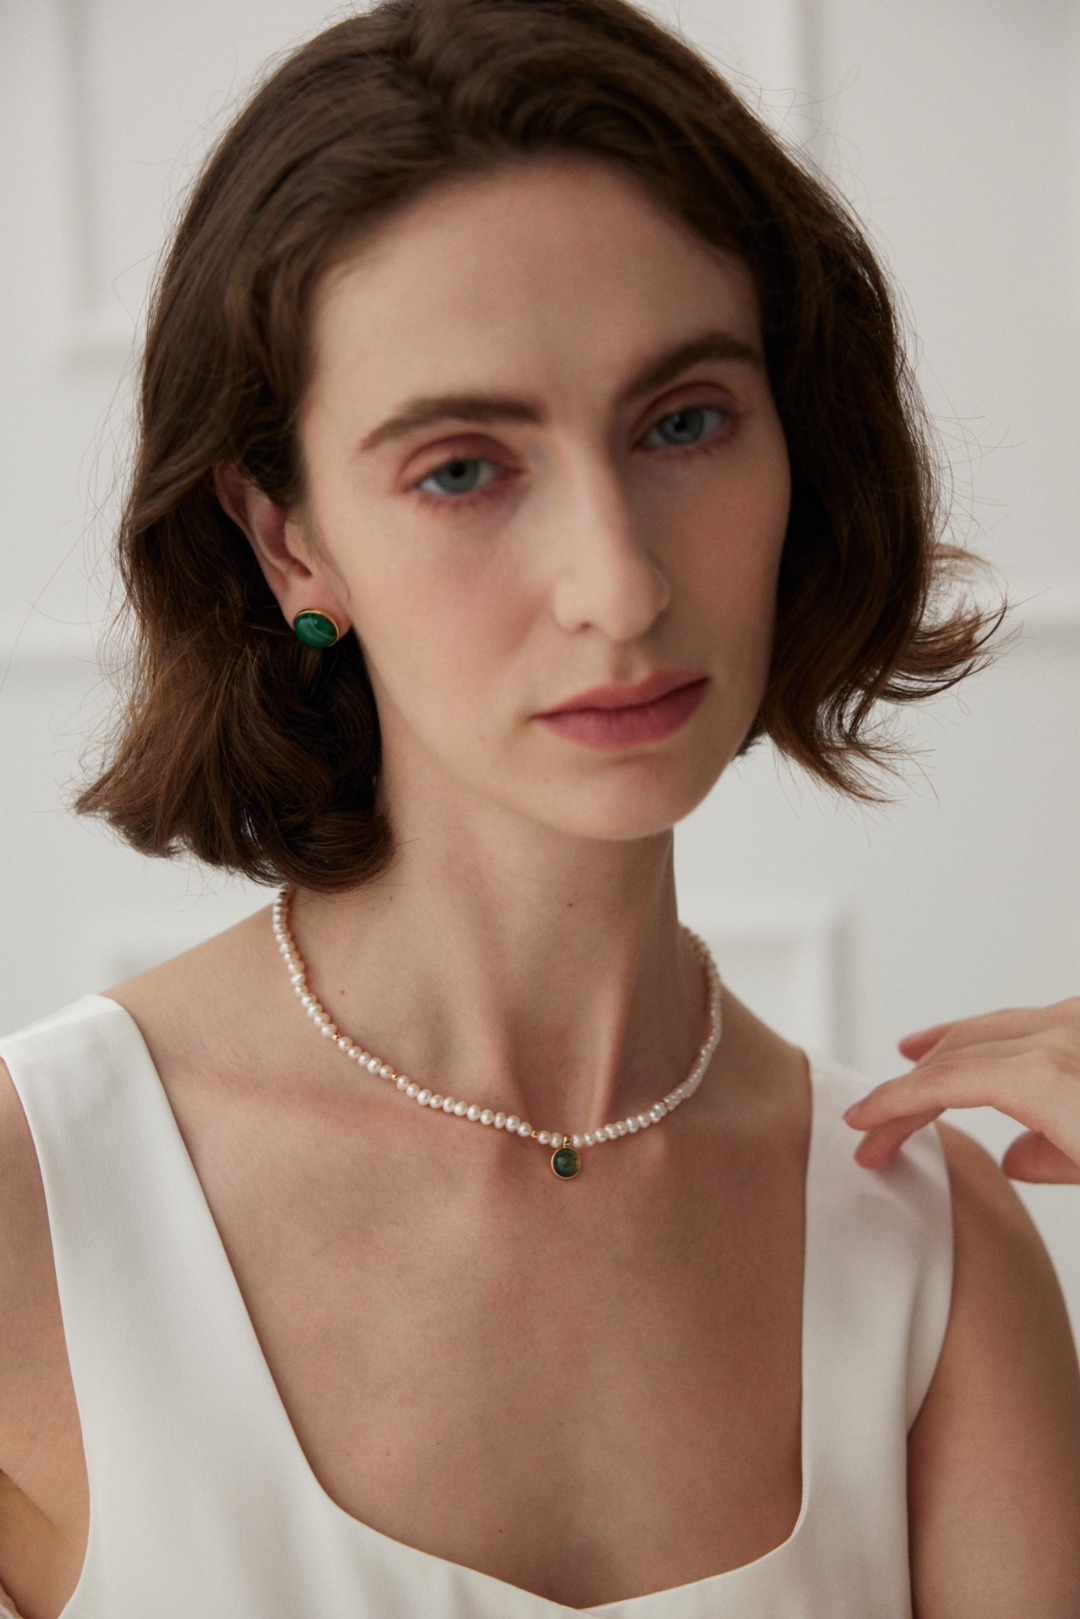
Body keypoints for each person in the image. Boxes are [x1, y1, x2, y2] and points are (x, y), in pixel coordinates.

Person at [1, 0, 1078, 1614]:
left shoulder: (931, 1246)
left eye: (684, 422)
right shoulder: (32, 1205)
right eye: (462, 468)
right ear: (290, 541)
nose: (618, 585)